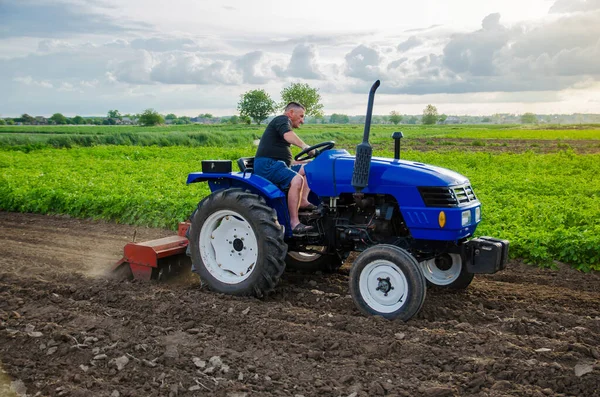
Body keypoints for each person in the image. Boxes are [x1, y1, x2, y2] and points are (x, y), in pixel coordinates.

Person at [253, 102, 317, 234]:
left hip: (278, 165)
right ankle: (294, 223)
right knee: (297, 179)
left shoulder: (282, 126)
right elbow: (288, 135)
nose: (302, 120)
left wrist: (307, 161)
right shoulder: (282, 120)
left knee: (309, 169)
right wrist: (304, 146)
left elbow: (285, 160)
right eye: (301, 116)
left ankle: (303, 201)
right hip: (267, 165)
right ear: (291, 113)